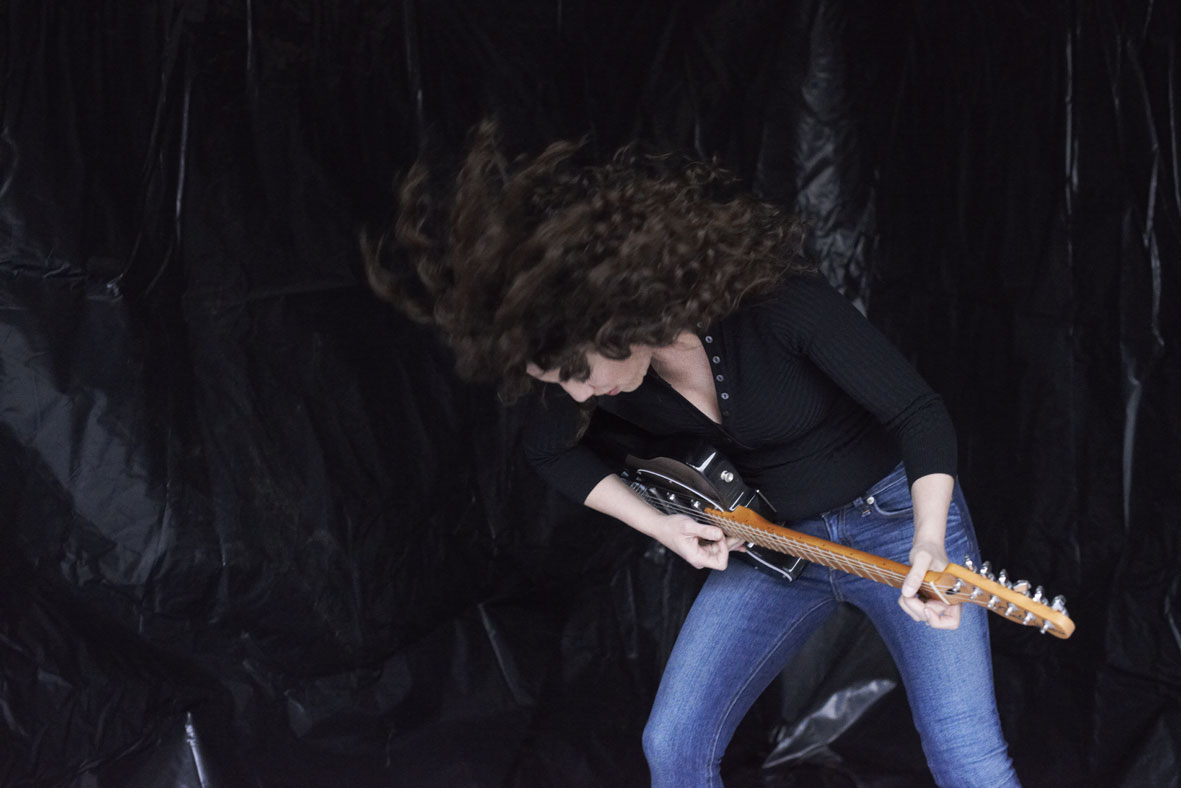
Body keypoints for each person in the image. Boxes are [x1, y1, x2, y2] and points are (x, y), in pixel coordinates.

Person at [365, 120, 1020, 788]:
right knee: (673, 743)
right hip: (774, 546)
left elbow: (917, 413)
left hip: (897, 523)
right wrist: (661, 526)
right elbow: (549, 453)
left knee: (964, 752)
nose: (578, 393)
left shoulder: (777, 305)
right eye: (557, 383)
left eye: (576, 372)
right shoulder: (593, 374)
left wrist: (929, 539)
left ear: (619, 315)